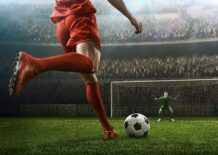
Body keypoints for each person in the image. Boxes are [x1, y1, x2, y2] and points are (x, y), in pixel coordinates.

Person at [9, 0, 142, 140]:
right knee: (90, 65)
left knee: (89, 77)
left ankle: (108, 129)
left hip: (61, 21)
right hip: (79, 14)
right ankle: (34, 64)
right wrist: (131, 18)